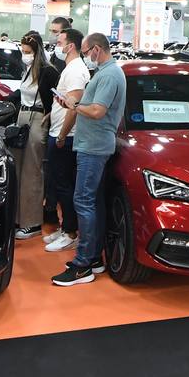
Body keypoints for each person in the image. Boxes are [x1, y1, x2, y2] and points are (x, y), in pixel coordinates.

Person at [52, 32, 124, 287]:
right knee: (91, 201)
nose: (85, 57)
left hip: (94, 148)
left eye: (85, 52)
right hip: (92, 145)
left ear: (96, 49)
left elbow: (96, 110)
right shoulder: (106, 73)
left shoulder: (109, 75)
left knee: (83, 201)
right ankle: (92, 258)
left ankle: (83, 264)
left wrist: (74, 106)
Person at [44, 28, 88, 253]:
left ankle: (71, 232)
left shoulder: (77, 71)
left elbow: (74, 108)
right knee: (60, 184)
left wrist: (62, 135)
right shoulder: (70, 68)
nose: (57, 45)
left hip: (67, 136)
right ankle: (65, 228)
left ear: (70, 46)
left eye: (60, 41)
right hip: (58, 131)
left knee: (65, 185)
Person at [12, 33, 60, 240]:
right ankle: (18, 217)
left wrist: (49, 116)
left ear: (37, 51)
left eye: (28, 52)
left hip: (38, 119)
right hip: (22, 118)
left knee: (32, 171)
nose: (25, 55)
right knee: (18, 170)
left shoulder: (48, 71)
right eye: (22, 52)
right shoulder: (27, 70)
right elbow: (19, 94)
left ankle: (32, 222)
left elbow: (57, 98)